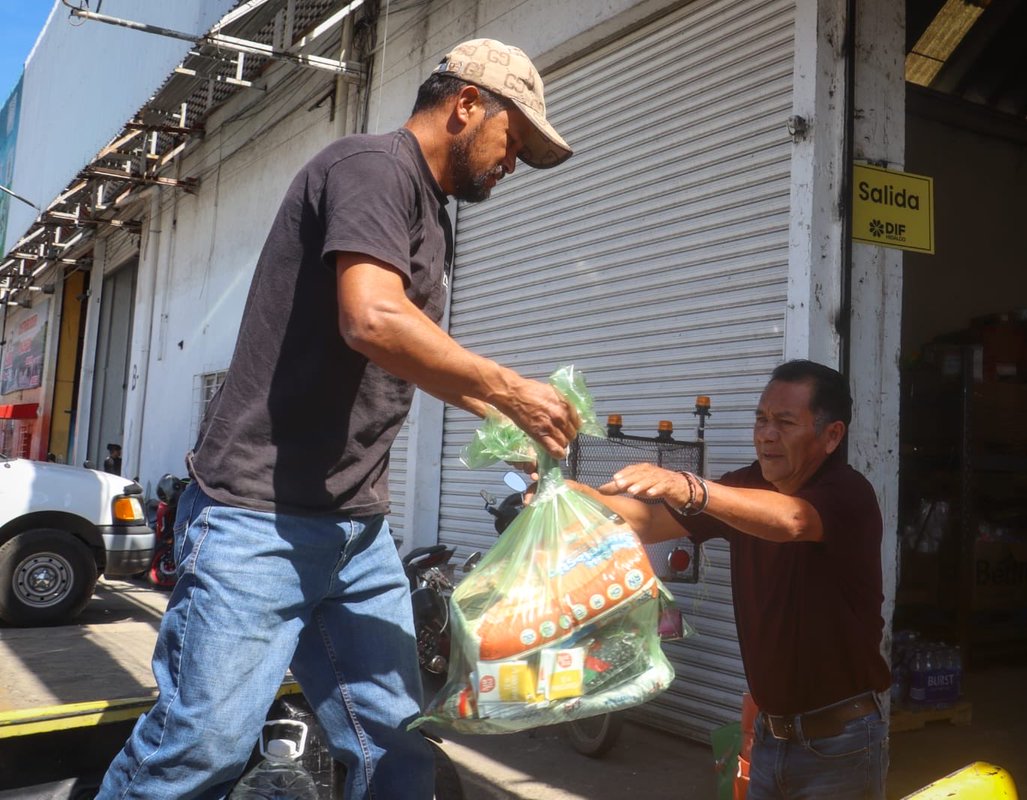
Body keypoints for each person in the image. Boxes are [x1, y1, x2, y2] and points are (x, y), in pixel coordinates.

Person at [98, 38, 580, 800]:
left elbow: (408, 352)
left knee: (398, 746)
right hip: (258, 519)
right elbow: (372, 320)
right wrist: (510, 387)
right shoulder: (371, 168)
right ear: (465, 106)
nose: (509, 164)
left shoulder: (432, 214)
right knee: (199, 753)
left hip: (354, 530)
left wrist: (512, 426)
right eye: (510, 141)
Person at [584, 360, 891, 799]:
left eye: (785, 423)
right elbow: (648, 523)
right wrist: (573, 497)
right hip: (770, 737)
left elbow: (791, 520)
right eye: (761, 420)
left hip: (840, 743)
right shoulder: (743, 485)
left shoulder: (847, 493)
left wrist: (692, 488)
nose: (766, 434)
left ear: (832, 435)